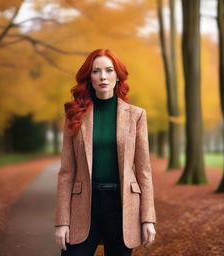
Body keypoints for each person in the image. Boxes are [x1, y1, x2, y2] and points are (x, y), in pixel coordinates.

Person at [54, 49, 156, 256]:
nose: (103, 77)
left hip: (123, 206)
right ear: (88, 77)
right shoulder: (75, 115)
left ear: (117, 76)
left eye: (109, 70)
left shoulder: (136, 115)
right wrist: (61, 222)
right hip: (83, 205)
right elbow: (66, 173)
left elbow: (144, 171)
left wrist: (148, 218)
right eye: (96, 71)